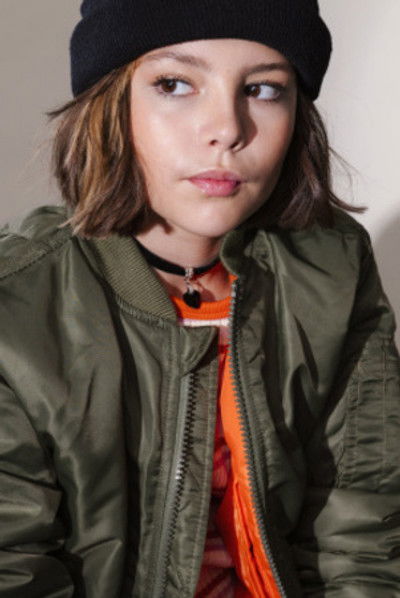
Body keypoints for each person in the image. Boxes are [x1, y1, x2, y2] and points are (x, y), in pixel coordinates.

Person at [0, 0, 399, 596]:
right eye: (175, 84)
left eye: (263, 90)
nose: (228, 129)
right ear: (110, 102)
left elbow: (365, 540)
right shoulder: (16, 300)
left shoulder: (334, 269)